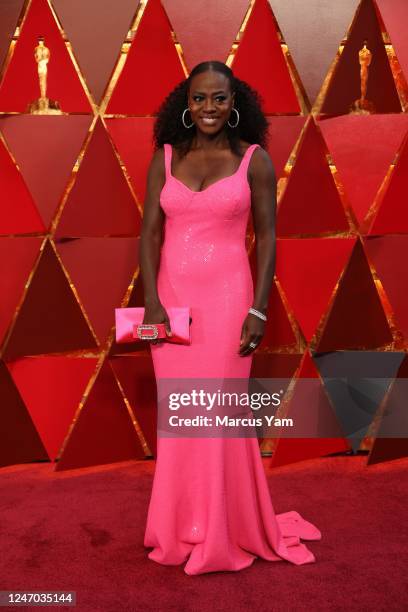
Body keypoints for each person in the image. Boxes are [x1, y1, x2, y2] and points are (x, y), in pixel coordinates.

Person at [139, 60, 321, 575]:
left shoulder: (254, 161)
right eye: (199, 99)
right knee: (180, 417)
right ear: (186, 103)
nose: (209, 108)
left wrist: (258, 307)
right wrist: (152, 299)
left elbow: (267, 240)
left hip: (227, 301)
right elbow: (149, 233)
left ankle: (224, 529)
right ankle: (180, 526)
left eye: (219, 98)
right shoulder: (166, 158)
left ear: (234, 102)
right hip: (171, 303)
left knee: (218, 415)